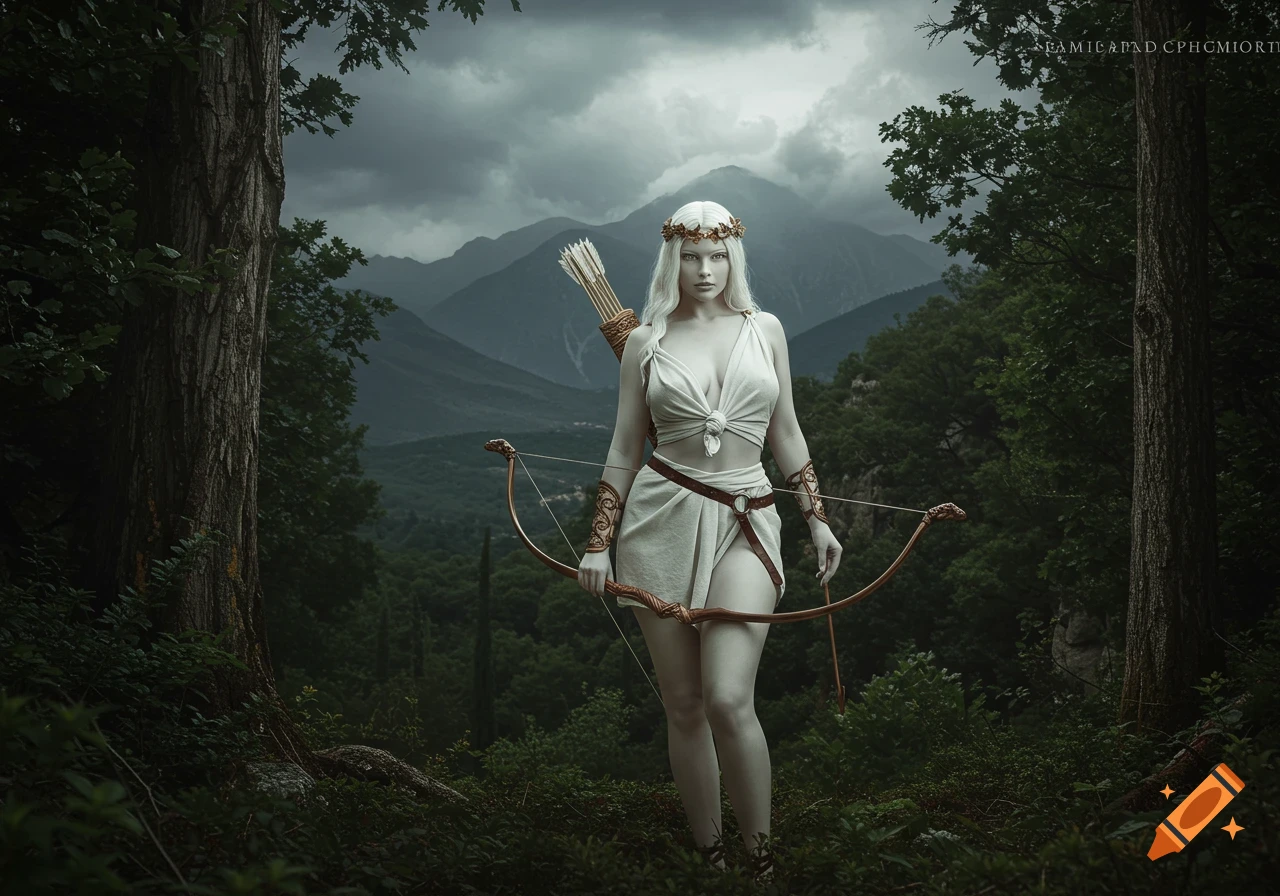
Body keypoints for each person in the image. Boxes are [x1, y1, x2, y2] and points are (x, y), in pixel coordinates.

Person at [576, 200, 843, 880]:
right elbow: (623, 446)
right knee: (685, 704)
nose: (704, 269)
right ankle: (709, 860)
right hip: (658, 520)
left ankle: (760, 865)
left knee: (727, 697)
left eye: (717, 255)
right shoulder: (645, 341)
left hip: (749, 520)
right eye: (691, 256)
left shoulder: (766, 330)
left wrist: (816, 515)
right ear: (673, 260)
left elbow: (785, 428)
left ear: (734, 258)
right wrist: (599, 541)